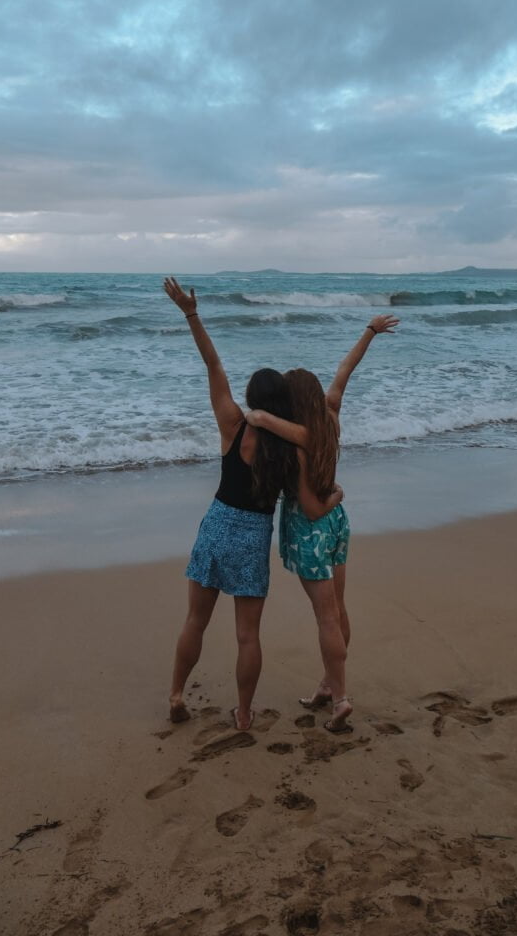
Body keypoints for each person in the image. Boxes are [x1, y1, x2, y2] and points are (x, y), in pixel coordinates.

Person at [163, 277, 342, 731]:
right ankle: (243, 714)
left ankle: (177, 693)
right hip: (253, 537)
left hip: (218, 525)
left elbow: (213, 363)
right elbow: (314, 456)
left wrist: (190, 313)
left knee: (195, 621)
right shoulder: (292, 449)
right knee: (247, 635)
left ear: (250, 398)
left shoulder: (234, 425)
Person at [246, 314, 399, 733]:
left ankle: (341, 697)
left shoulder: (300, 443)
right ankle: (329, 687)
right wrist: (369, 332)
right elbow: (345, 369)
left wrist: (258, 416)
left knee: (326, 618)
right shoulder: (331, 415)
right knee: (338, 611)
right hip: (338, 525)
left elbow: (311, 509)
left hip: (314, 526)